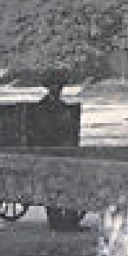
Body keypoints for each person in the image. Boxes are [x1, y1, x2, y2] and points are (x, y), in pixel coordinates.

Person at [30, 69, 86, 232]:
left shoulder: (63, 107)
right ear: (48, 88)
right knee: (53, 186)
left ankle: (70, 221)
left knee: (68, 184)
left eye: (59, 86)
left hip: (62, 151)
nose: (57, 89)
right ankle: (56, 222)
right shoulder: (41, 108)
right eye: (54, 86)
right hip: (49, 151)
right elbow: (41, 131)